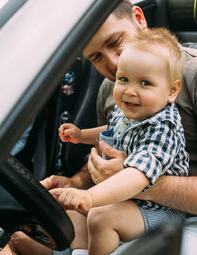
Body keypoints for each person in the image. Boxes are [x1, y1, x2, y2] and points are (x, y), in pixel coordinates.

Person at [0, 1, 197, 255]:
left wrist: (137, 182)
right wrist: (77, 181)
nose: (113, 64)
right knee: (17, 239)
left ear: (139, 19)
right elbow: (112, 147)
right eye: (96, 57)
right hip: (121, 207)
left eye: (115, 42)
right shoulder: (112, 87)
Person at [54, 27, 189, 255]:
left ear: (171, 91)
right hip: (130, 203)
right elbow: (112, 130)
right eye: (123, 79)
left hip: (161, 212)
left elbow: (136, 175)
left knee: (100, 216)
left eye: (145, 83)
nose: (130, 91)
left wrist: (90, 196)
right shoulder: (127, 111)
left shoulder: (164, 127)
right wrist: (81, 135)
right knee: (70, 217)